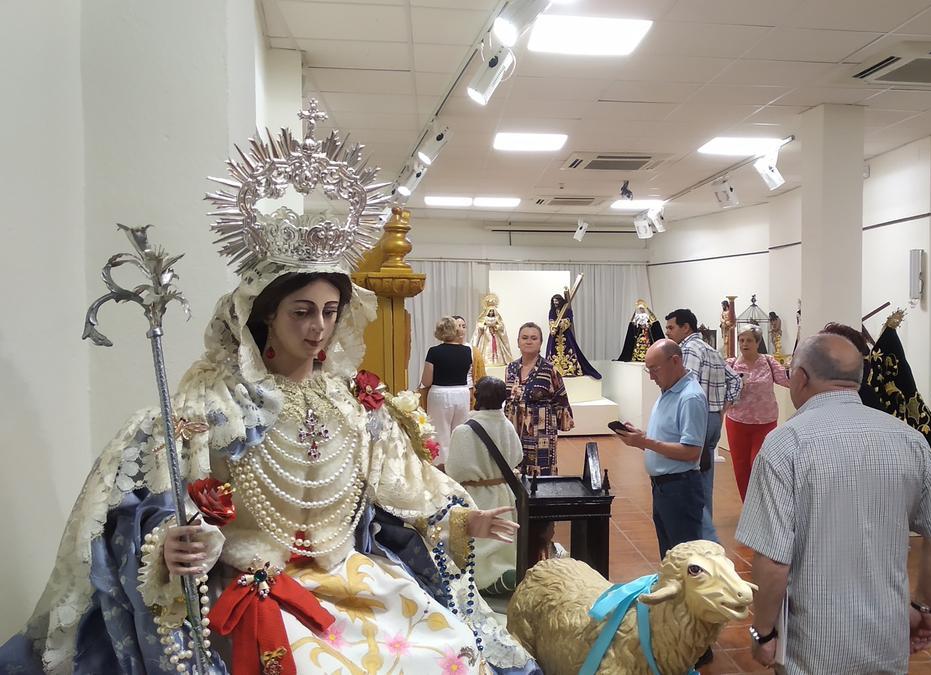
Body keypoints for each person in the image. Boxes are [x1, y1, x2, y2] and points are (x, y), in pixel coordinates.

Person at [0, 105, 536, 674]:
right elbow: (157, 500)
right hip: (257, 590)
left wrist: (462, 521)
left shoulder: (357, 403)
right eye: (301, 311)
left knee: (448, 653)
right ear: (264, 316)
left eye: (330, 312)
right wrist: (173, 542)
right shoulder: (212, 404)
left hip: (352, 580)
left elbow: (406, 488)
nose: (317, 328)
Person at [737, 334, 931, 673]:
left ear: (801, 377)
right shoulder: (910, 440)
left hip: (813, 649)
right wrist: (923, 607)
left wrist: (762, 631)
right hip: (887, 640)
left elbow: (773, 561)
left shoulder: (785, 445)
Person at [613, 339, 707, 558]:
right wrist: (641, 437)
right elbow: (666, 438)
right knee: (669, 557)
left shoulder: (690, 397)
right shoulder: (669, 390)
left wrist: (645, 442)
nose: (651, 376)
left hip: (681, 489)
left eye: (654, 369)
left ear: (675, 361)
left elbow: (692, 451)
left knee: (683, 560)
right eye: (648, 370)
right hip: (664, 487)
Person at [664, 308, 741, 543]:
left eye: (671, 328)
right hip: (712, 418)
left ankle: (704, 537)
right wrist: (721, 409)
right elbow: (736, 380)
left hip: (696, 419)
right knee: (704, 478)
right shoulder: (710, 349)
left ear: (686, 327)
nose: (667, 333)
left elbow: (689, 384)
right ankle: (704, 536)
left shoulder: (688, 350)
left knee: (689, 480)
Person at [446, 377, 522, 596]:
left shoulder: (464, 431)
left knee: (479, 540)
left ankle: (482, 580)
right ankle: (506, 573)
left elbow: (455, 470)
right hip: (502, 491)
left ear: (477, 396)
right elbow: (517, 456)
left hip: (475, 495)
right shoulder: (506, 424)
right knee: (503, 540)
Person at [725, 327, 789, 500]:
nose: (744, 344)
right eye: (741, 340)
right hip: (737, 421)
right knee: (741, 467)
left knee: (759, 464)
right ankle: (748, 506)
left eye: (749, 340)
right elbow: (721, 389)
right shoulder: (730, 364)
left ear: (758, 343)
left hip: (765, 423)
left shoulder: (768, 362)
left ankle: (763, 505)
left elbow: (786, 380)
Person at [505, 322, 574, 475]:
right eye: (524, 338)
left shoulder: (550, 369)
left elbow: (560, 398)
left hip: (541, 430)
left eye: (534, 338)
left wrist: (563, 423)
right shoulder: (510, 368)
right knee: (514, 468)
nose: (529, 341)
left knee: (541, 473)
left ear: (540, 343)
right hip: (514, 428)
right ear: (518, 342)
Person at [421, 315, 473, 467]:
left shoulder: (434, 352)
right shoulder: (466, 351)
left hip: (440, 394)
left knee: (440, 434)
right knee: (460, 433)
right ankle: (460, 467)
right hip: (462, 393)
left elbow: (426, 381)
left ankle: (441, 469)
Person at [546, 292, 602, 379]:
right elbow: (551, 320)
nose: (555, 303)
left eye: (557, 301)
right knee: (552, 352)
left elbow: (569, 320)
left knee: (570, 350)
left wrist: (562, 323)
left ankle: (570, 369)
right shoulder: (552, 311)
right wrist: (553, 326)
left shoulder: (567, 311)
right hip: (555, 335)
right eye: (554, 302)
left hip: (566, 335)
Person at [474, 293, 513, 366]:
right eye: (490, 311)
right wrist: (484, 326)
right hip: (486, 337)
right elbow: (479, 327)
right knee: (487, 348)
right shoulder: (484, 318)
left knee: (496, 348)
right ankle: (486, 361)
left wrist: (497, 327)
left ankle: (497, 360)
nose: (491, 312)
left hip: (495, 336)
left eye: (492, 311)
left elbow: (501, 326)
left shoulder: (497, 318)